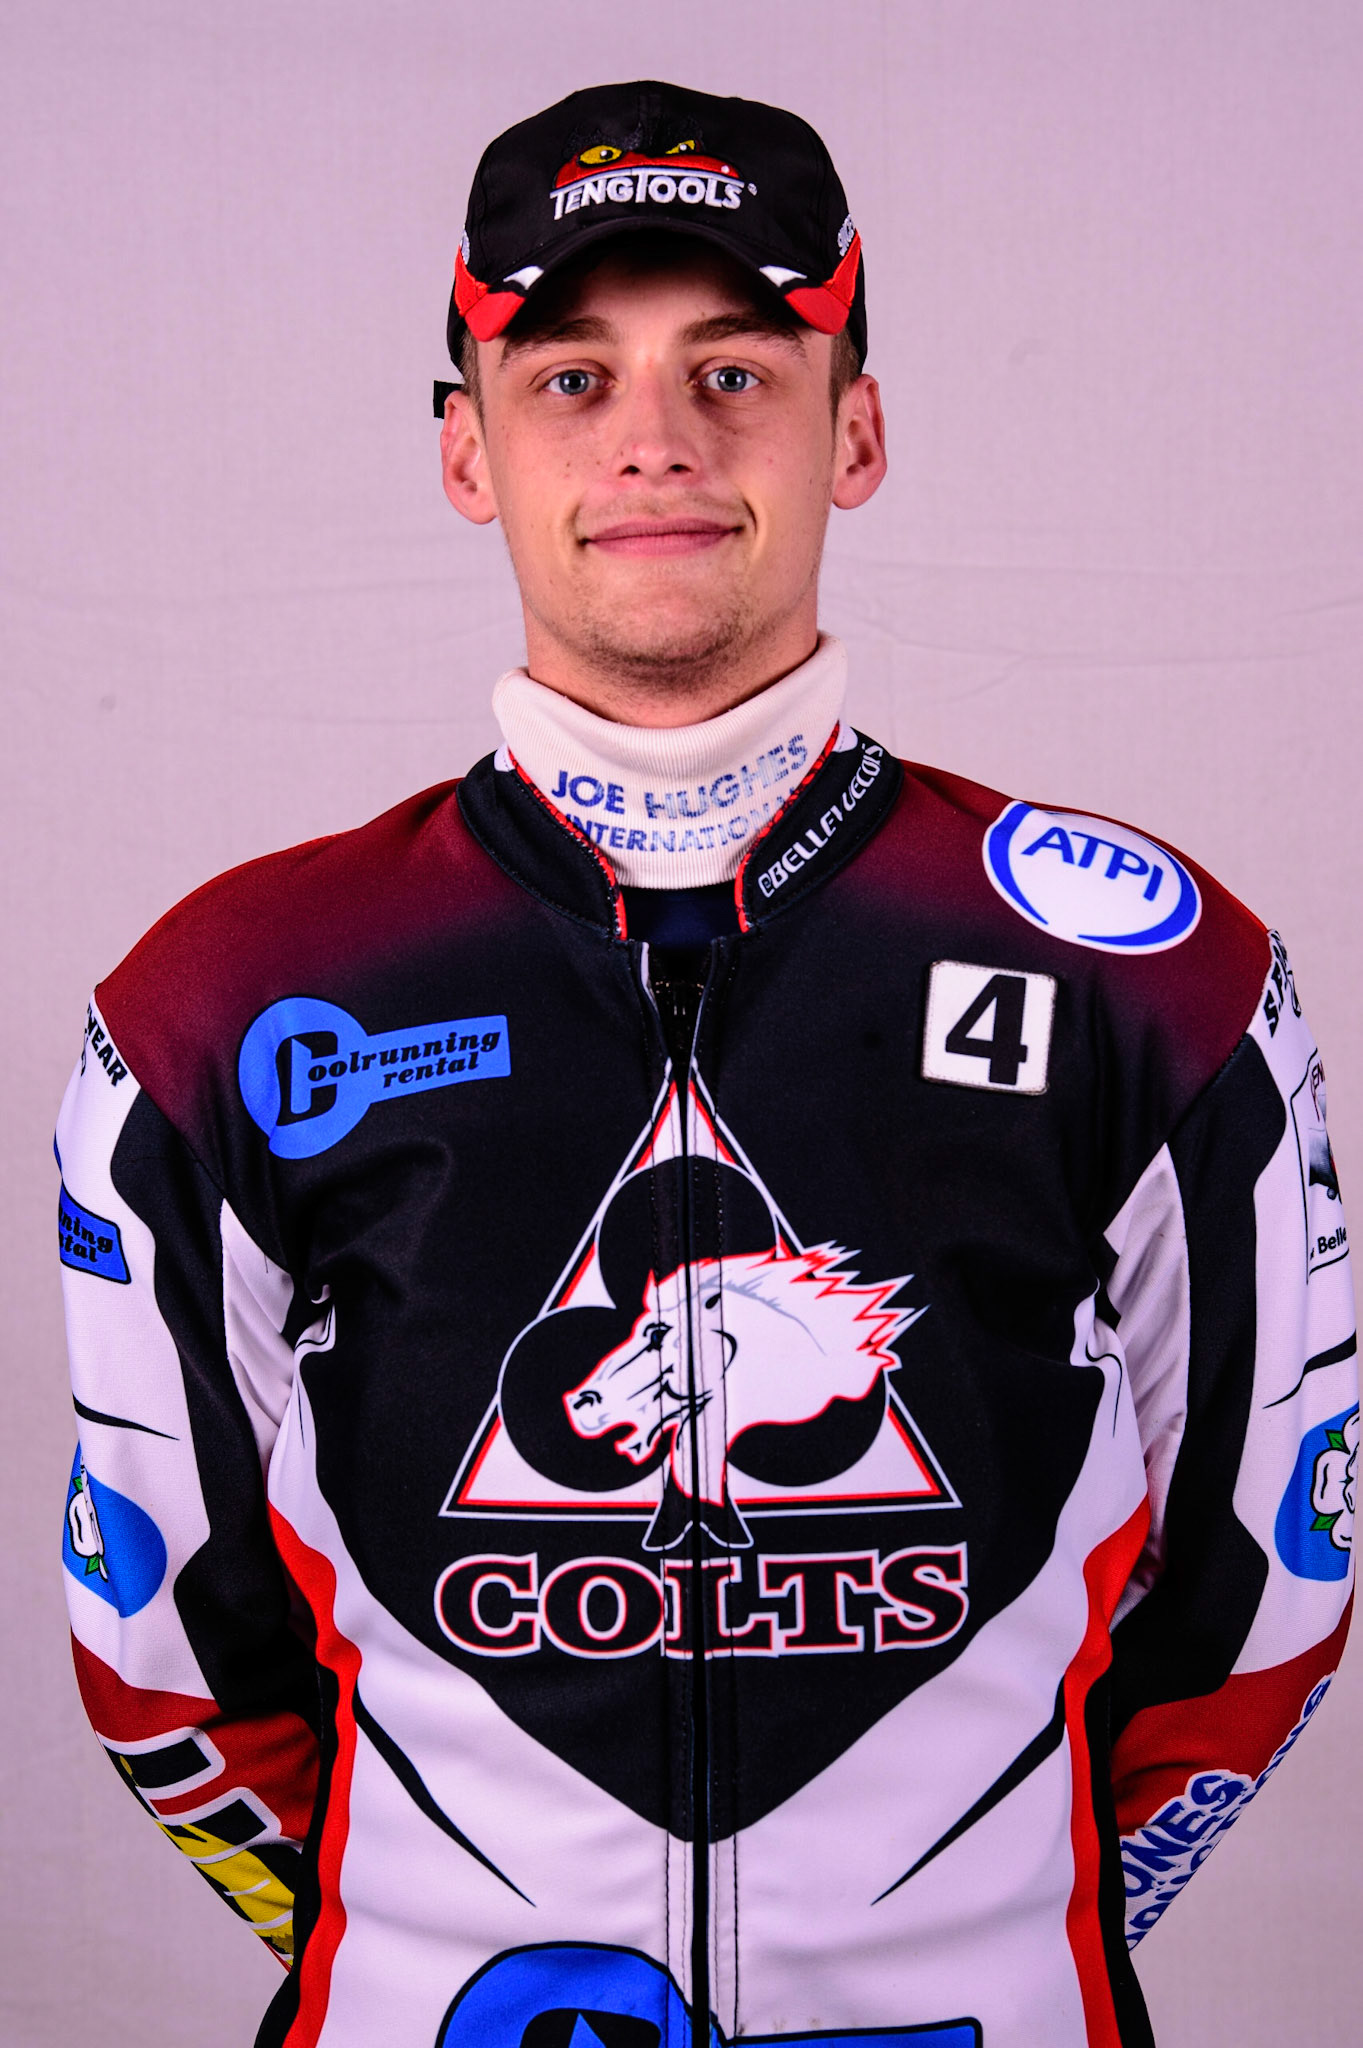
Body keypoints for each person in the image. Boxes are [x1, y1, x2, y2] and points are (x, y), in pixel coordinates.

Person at [56, 79, 1355, 2048]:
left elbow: (1263, 1596)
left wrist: (990, 1926)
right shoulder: (225, 1001)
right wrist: (409, 1948)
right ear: (465, 453)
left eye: (734, 371)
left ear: (857, 429)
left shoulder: (1153, 976)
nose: (654, 439)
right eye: (571, 380)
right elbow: (169, 1647)